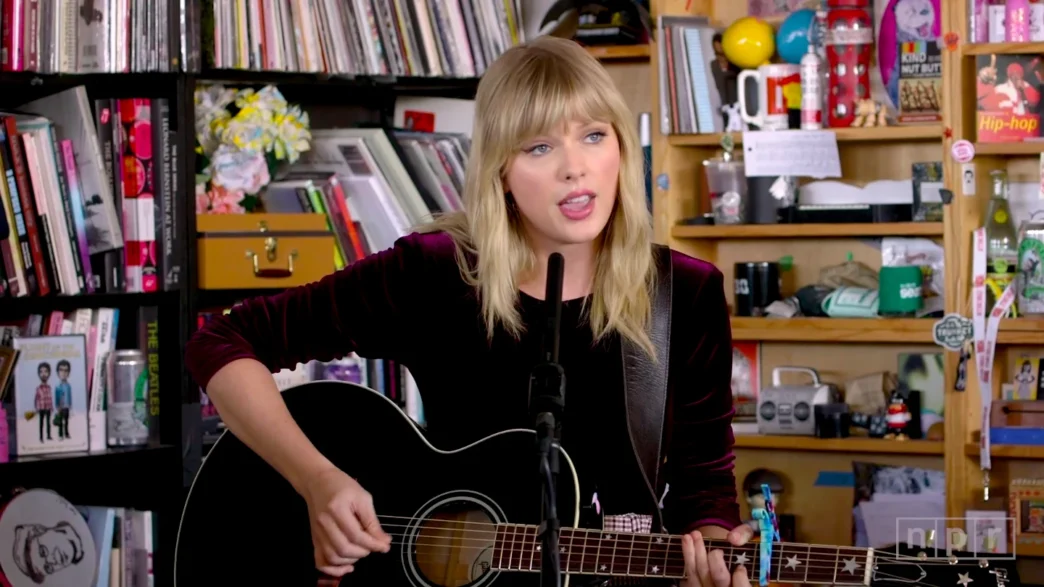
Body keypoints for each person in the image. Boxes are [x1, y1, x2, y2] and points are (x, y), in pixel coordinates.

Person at [184, 35, 750, 587]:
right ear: (501, 172)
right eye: (539, 147)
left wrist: (713, 560)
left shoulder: (684, 293)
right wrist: (317, 481)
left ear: (621, 148)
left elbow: (706, 489)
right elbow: (221, 341)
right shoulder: (435, 272)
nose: (574, 168)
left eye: (594, 135)